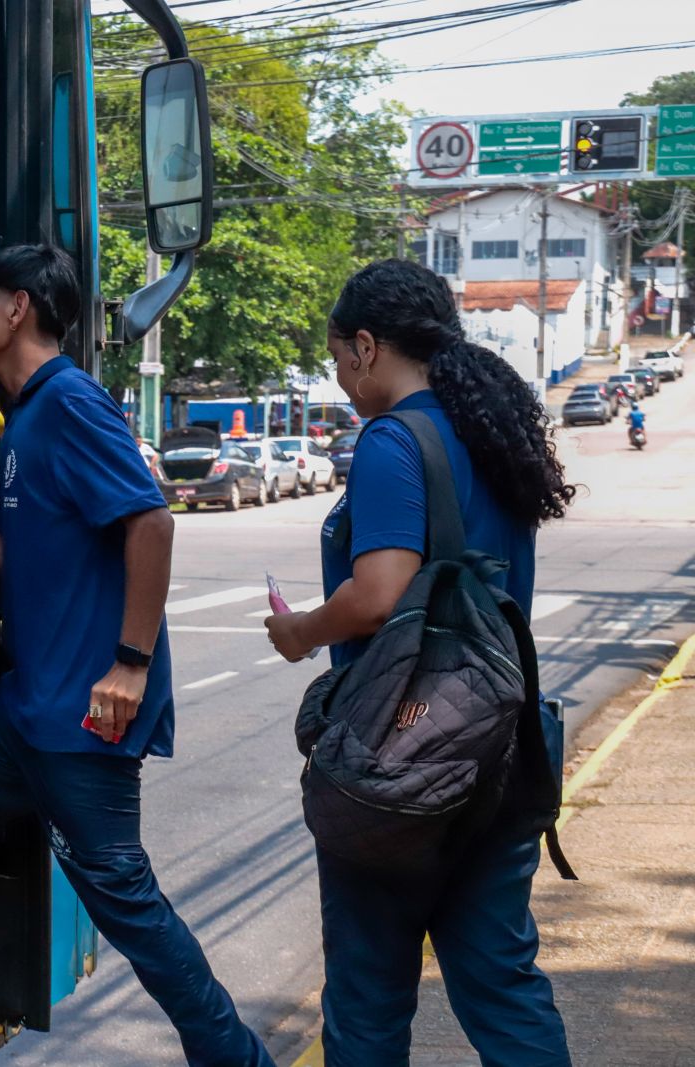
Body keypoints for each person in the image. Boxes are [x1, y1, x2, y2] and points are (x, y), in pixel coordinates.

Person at [0, 244, 272, 1066]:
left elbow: (151, 523)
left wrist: (129, 662)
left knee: (127, 904)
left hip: (83, 714)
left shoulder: (70, 403)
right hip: (25, 709)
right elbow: (8, 560)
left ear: (18, 307)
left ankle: (235, 1057)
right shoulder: (25, 419)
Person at [263, 258, 574, 1067]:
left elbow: (380, 593)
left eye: (338, 358)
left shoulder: (393, 439)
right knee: (501, 981)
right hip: (506, 741)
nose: (340, 378)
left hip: (403, 753)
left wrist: (300, 632)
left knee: (368, 995)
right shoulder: (492, 430)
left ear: (366, 346)